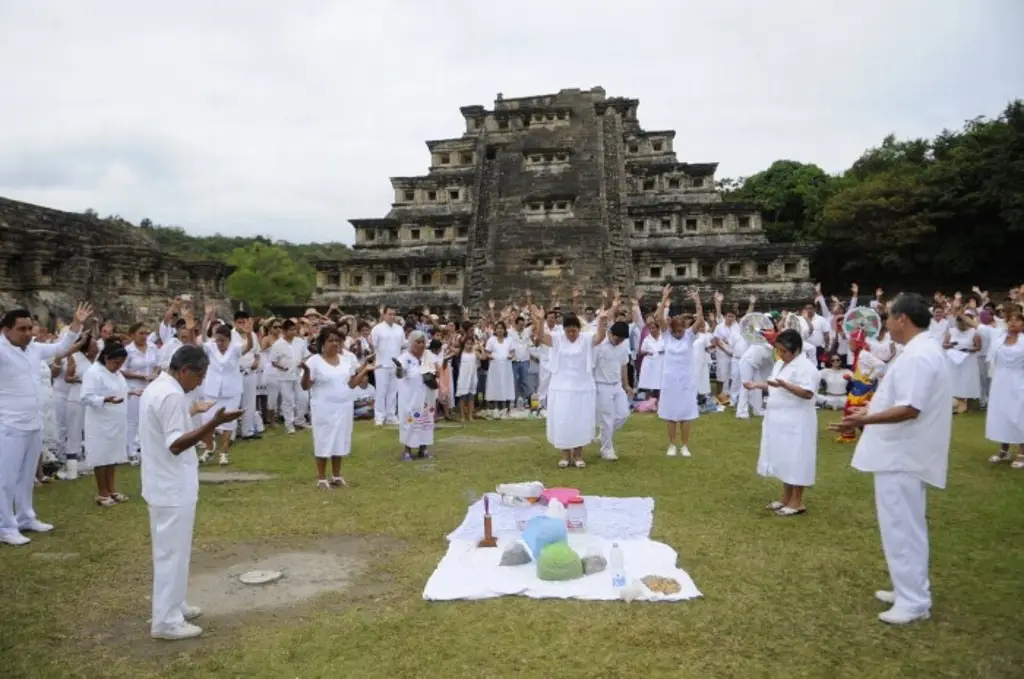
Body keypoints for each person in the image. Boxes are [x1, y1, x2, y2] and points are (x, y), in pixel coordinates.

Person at [833, 293, 953, 625]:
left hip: (903, 453)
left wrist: (864, 420)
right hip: (903, 452)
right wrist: (869, 410)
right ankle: (909, 589)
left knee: (902, 526)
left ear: (902, 319)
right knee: (905, 526)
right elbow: (901, 400)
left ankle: (913, 600)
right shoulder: (919, 350)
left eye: (888, 317)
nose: (885, 324)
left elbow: (910, 408)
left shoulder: (919, 355)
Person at [139, 344, 242, 640]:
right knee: (172, 552)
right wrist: (213, 424)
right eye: (199, 376)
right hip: (171, 486)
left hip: (164, 483)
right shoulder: (170, 394)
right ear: (184, 370)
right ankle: (166, 621)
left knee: (175, 551)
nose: (200, 383)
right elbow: (175, 443)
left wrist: (194, 411)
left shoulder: (159, 388)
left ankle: (174, 604)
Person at [0, 303, 91, 546]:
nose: (28, 333)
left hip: (34, 422)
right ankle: (5, 526)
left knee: (27, 475)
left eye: (30, 328)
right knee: (6, 479)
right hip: (9, 424)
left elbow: (61, 347)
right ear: (6, 330)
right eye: (22, 329)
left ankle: (25, 517)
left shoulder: (33, 349)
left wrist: (76, 324)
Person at [749, 329, 819, 516]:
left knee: (797, 458)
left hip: (797, 420)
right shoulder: (781, 364)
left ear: (795, 350)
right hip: (779, 419)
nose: (780, 354)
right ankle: (786, 497)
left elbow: (807, 393)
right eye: (778, 350)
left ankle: (797, 501)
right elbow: (774, 383)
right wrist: (757, 385)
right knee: (784, 457)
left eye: (784, 351)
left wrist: (786, 385)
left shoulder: (807, 368)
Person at [532, 306, 607, 468]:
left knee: (579, 420)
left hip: (583, 386)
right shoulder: (557, 338)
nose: (571, 334)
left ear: (579, 329)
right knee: (563, 420)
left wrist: (601, 320)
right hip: (560, 386)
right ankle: (565, 455)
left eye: (574, 331)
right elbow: (540, 337)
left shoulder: (586, 339)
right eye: (569, 331)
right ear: (564, 329)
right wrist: (540, 320)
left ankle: (578, 455)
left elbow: (600, 338)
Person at [300, 327, 375, 488]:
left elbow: (352, 384)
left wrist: (364, 371)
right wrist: (306, 372)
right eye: (330, 340)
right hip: (323, 407)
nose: (334, 343)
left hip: (344, 406)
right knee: (323, 440)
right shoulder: (314, 361)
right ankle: (321, 477)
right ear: (323, 342)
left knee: (340, 439)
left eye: (337, 340)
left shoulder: (345, 360)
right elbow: (306, 386)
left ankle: (336, 475)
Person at [655, 286, 705, 457]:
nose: (678, 334)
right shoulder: (667, 335)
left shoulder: (689, 336)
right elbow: (659, 317)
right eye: (676, 331)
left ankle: (684, 445)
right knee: (670, 414)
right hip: (669, 380)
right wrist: (664, 298)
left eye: (681, 331)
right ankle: (671, 445)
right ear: (671, 329)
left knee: (685, 413)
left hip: (685, 380)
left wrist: (697, 301)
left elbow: (700, 321)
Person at [81, 340, 131, 506]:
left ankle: (112, 490)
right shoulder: (94, 372)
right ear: (107, 357)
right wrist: (104, 399)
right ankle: (102, 493)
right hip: (100, 421)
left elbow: (118, 390)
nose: (119, 366)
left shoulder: (117, 373)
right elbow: (86, 397)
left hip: (115, 420)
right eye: (116, 362)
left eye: (122, 363)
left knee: (112, 456)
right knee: (101, 456)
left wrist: (132, 391)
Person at [201, 325, 252, 464]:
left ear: (228, 340)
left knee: (228, 423)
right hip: (212, 390)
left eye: (222, 341)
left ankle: (224, 452)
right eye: (217, 340)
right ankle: (210, 448)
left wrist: (249, 334)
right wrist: (205, 320)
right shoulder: (211, 347)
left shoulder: (235, 348)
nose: (219, 344)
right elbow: (197, 344)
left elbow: (248, 347)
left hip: (231, 391)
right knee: (207, 420)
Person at [985, 309, 1024, 466]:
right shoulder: (999, 339)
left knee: (1019, 414)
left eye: (1017, 319)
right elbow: (979, 326)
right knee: (1002, 414)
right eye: (1010, 319)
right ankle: (1004, 450)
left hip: (1019, 381)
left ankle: (1022, 452)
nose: (1013, 322)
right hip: (1000, 382)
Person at [121, 322, 160, 465]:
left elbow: (157, 365)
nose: (144, 336)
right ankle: (131, 451)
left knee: (148, 418)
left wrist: (154, 374)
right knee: (133, 420)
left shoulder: (152, 347)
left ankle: (145, 449)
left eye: (146, 333)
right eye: (141, 334)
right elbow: (122, 369)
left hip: (150, 387)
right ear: (132, 335)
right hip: (134, 387)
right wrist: (140, 376)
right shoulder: (128, 350)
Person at [395, 331, 438, 460]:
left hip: (427, 396)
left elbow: (437, 370)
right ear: (412, 343)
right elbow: (400, 375)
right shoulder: (404, 358)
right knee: (410, 421)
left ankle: (423, 448)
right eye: (418, 342)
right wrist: (399, 369)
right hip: (411, 398)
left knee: (426, 421)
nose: (421, 345)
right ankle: (408, 449)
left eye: (423, 342)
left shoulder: (428, 356)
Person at [593, 320, 632, 461]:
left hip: (617, 385)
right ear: (610, 333)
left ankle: (603, 434)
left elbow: (624, 366)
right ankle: (607, 450)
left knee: (623, 415)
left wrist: (626, 386)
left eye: (621, 340)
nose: (619, 342)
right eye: (617, 339)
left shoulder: (623, 346)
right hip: (601, 385)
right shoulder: (599, 345)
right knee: (608, 419)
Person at [371, 306, 405, 426]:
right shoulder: (377, 329)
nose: (392, 316)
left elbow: (402, 346)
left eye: (394, 314)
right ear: (384, 315)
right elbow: (374, 346)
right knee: (381, 391)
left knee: (393, 391)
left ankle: (391, 415)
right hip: (381, 364)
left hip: (395, 364)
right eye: (390, 314)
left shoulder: (399, 329)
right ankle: (379, 416)